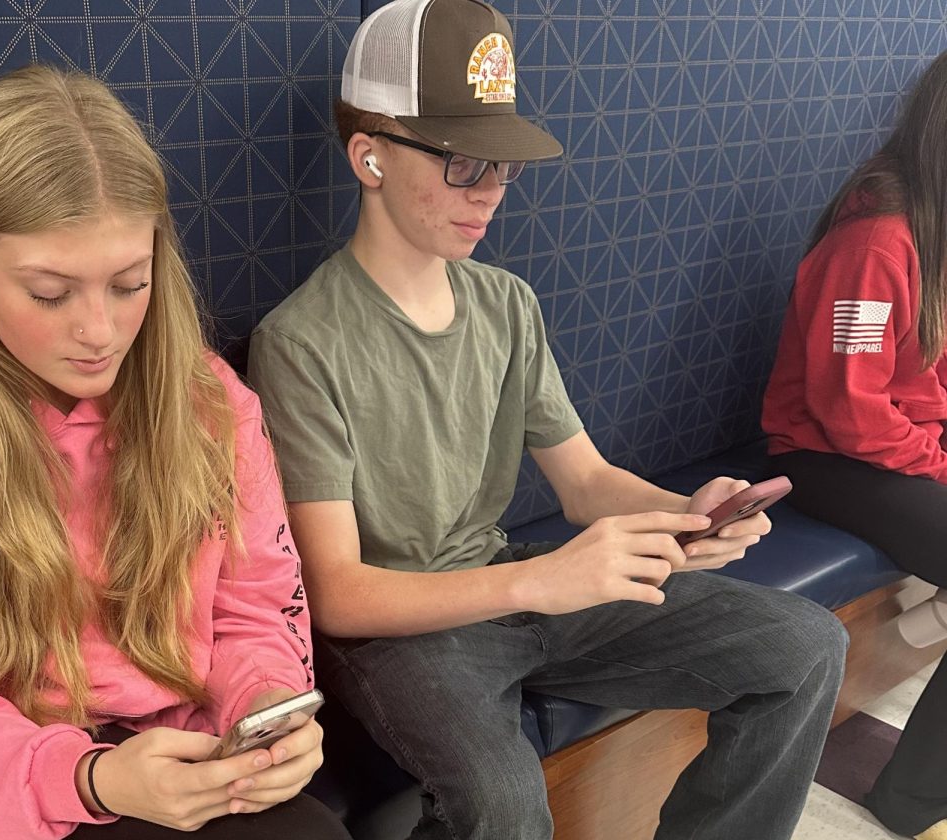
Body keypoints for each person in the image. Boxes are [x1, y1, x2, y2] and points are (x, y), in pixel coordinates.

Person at [247, 1, 848, 838]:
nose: (490, 191)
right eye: (462, 163)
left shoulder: (506, 304)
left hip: (513, 582)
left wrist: (680, 518)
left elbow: (587, 482)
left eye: (501, 165)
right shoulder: (300, 343)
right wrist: (542, 580)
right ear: (370, 155)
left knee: (805, 647)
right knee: (501, 800)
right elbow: (339, 595)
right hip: (400, 630)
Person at [0, 65, 349, 840]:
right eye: (51, 293)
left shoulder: (206, 401)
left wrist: (265, 704)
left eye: (128, 283)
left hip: (176, 749)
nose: (101, 331)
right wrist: (89, 778)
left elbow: (257, 602)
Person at [762, 49, 947, 840]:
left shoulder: (938, 225)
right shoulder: (877, 237)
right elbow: (850, 412)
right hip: (826, 458)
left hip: (899, 446)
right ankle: (910, 805)